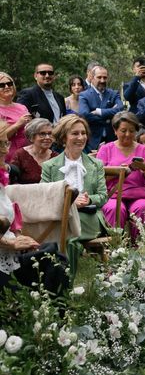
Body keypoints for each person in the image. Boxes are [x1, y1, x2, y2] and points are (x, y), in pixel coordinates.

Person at [0, 121, 69, 295]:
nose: (5, 150)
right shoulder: (21, 155)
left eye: (5, 143)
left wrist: (18, 239)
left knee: (54, 258)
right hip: (5, 253)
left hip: (10, 251)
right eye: (0, 144)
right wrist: (9, 242)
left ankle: (58, 315)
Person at [41, 115, 108, 278]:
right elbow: (43, 195)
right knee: (69, 241)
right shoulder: (50, 166)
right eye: (75, 133)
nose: (81, 137)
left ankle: (62, 290)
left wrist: (88, 199)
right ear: (64, 137)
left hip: (88, 217)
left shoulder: (95, 164)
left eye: (83, 133)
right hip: (60, 217)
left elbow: (103, 196)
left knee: (63, 237)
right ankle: (59, 289)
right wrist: (68, 201)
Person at [96, 112, 145, 243]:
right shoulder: (106, 149)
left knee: (142, 208)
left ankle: (141, 246)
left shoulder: (143, 150)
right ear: (115, 130)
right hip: (113, 194)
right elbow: (97, 178)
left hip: (139, 194)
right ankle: (115, 246)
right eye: (123, 130)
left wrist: (144, 168)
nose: (128, 134)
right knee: (114, 208)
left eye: (131, 131)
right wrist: (119, 171)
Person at [78, 66, 124, 151]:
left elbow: (120, 109)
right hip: (93, 141)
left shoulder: (113, 93)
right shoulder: (84, 95)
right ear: (92, 77)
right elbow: (84, 115)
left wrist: (99, 112)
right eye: (99, 77)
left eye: (105, 78)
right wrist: (111, 115)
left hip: (112, 139)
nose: (102, 80)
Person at [11, 118, 57, 184]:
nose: (47, 137)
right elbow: (12, 181)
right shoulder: (20, 155)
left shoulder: (56, 157)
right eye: (42, 134)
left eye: (50, 134)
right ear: (31, 137)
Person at [0, 72, 31, 162]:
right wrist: (17, 125)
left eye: (9, 84)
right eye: (2, 85)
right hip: (8, 157)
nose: (7, 86)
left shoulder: (21, 107)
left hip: (27, 154)